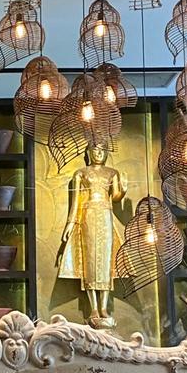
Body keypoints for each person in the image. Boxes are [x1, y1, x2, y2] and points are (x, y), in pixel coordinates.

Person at [55, 140, 126, 329]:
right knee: (91, 261)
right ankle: (93, 308)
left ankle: (104, 308)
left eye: (102, 150)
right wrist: (71, 223)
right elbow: (76, 202)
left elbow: (115, 196)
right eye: (95, 149)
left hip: (105, 215)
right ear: (88, 153)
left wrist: (123, 190)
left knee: (106, 261)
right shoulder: (81, 173)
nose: (99, 153)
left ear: (106, 153)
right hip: (88, 215)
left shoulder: (112, 173)